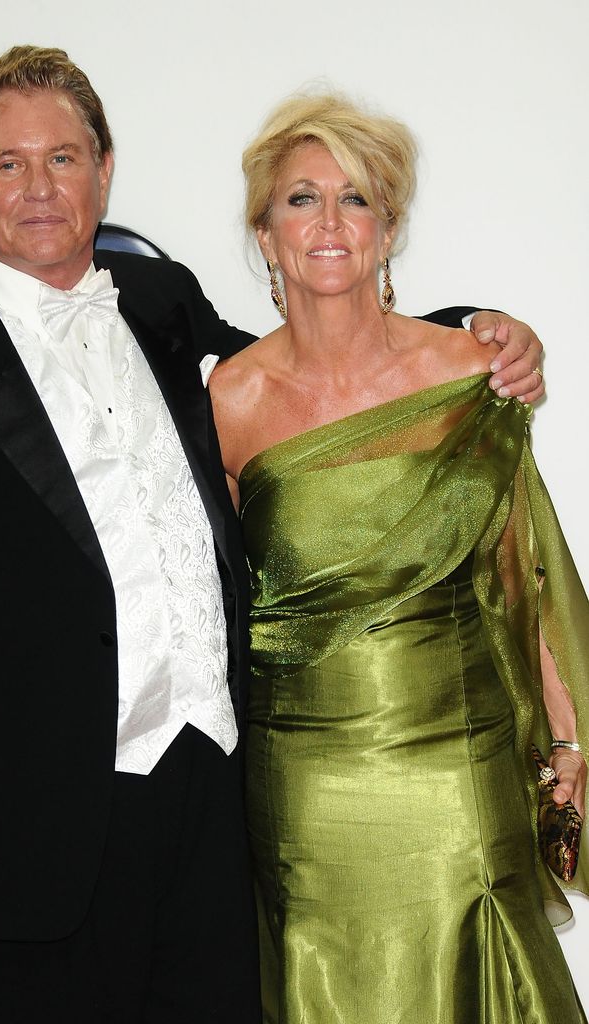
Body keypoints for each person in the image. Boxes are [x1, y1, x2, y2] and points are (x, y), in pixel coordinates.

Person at [0, 47, 544, 1023]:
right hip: (23, 840)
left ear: (105, 168)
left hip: (212, 823)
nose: (42, 186)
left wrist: (470, 328)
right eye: (9, 164)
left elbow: (313, 364)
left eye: (64, 157)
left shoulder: (162, 302)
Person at [209, 92, 588, 1023]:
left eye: (357, 199)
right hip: (299, 786)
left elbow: (522, 571)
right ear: (265, 232)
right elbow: (215, 602)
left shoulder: (470, 371)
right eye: (301, 199)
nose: (329, 223)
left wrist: (568, 738)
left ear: (388, 229)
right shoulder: (228, 399)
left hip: (456, 768)